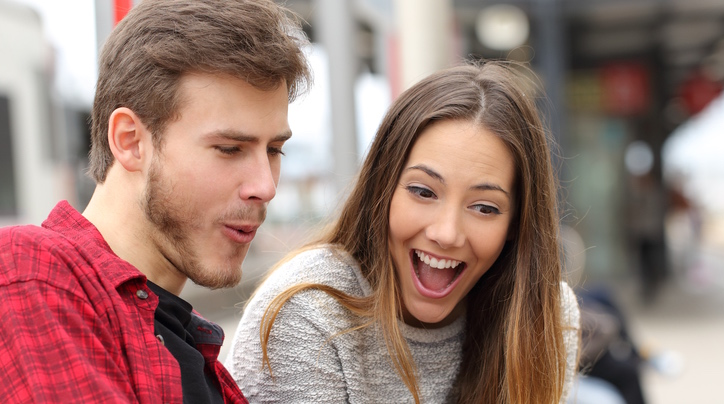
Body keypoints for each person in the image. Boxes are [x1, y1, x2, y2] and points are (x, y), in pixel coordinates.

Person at [0, 0, 310, 402]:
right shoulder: (33, 272)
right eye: (230, 148)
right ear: (130, 141)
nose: (265, 186)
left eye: (274, 150)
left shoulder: (196, 348)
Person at [227, 62, 580, 403]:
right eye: (423, 192)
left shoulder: (545, 315)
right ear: (382, 188)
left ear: (516, 224)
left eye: (484, 208)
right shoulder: (307, 311)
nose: (446, 233)